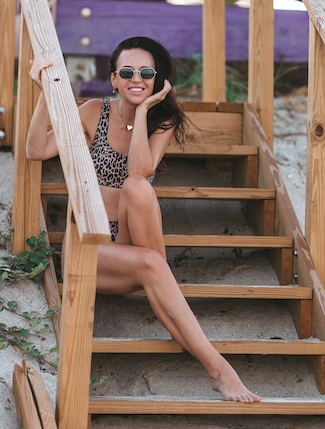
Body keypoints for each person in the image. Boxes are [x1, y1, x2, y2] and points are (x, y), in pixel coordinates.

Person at [26, 36, 261, 403]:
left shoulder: (160, 119)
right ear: (113, 79)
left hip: (135, 241)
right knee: (146, 234)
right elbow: (36, 150)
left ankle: (210, 359)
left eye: (146, 73)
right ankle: (220, 371)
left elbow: (139, 168)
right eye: (127, 72)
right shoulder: (92, 111)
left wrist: (141, 112)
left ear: (157, 80)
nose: (137, 79)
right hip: (93, 246)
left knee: (138, 186)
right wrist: (44, 94)